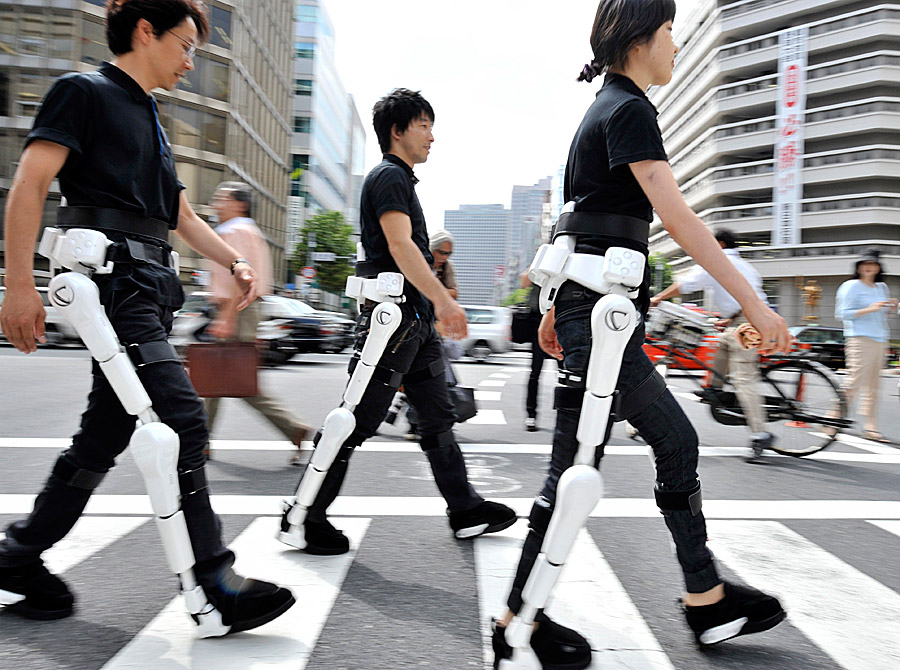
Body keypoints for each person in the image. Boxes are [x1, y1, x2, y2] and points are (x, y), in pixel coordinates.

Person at [490, 3, 792, 668]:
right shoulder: (627, 109)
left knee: (672, 441)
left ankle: (705, 596)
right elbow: (678, 218)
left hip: (595, 313)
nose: (676, 44)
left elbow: (575, 222)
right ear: (640, 39)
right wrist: (756, 306)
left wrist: (552, 307)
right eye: (669, 31)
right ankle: (518, 617)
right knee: (573, 472)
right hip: (600, 316)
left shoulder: (603, 108)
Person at [0, 0, 294, 630]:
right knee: (181, 414)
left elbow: (181, 216)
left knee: (102, 436)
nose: (191, 61)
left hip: (150, 289)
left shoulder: (152, 120)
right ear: (144, 32)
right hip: (113, 285)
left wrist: (233, 262)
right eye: (186, 45)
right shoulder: (82, 92)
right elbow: (30, 184)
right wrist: (20, 286)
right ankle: (213, 579)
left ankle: (18, 556)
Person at [283, 88, 516, 555]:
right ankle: (304, 515)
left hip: (415, 323)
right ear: (398, 130)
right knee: (356, 420)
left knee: (437, 419)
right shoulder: (388, 177)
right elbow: (400, 246)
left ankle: (466, 510)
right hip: (393, 323)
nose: (433, 136)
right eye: (425, 125)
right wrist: (446, 303)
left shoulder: (401, 181)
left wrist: (433, 309)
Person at [204, 182, 313, 464]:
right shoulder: (249, 230)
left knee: (231, 382)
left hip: (237, 308)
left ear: (240, 204)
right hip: (244, 310)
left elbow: (239, 281)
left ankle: (293, 428)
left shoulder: (236, 231)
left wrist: (226, 318)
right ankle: (201, 441)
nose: (217, 203)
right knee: (222, 381)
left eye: (222, 198)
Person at [651, 228, 775, 459]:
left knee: (743, 377)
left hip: (746, 325)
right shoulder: (746, 266)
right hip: (741, 321)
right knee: (719, 357)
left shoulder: (716, 260)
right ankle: (715, 393)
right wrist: (729, 318)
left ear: (718, 244)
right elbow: (744, 296)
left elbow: (686, 284)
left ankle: (760, 433)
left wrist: (658, 298)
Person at [835, 248, 897, 443]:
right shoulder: (851, 286)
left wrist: (889, 307)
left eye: (873, 264)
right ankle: (831, 418)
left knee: (873, 386)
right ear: (859, 267)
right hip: (859, 338)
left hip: (880, 339)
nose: (869, 267)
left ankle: (870, 427)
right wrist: (870, 308)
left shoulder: (881, 288)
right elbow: (842, 313)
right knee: (854, 382)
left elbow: (880, 314)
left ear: (879, 267)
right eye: (865, 264)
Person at [521, 274, 552, 432]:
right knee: (535, 372)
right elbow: (524, 283)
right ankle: (531, 414)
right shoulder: (538, 266)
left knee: (569, 373)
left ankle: (570, 415)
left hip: (560, 319)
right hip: (537, 320)